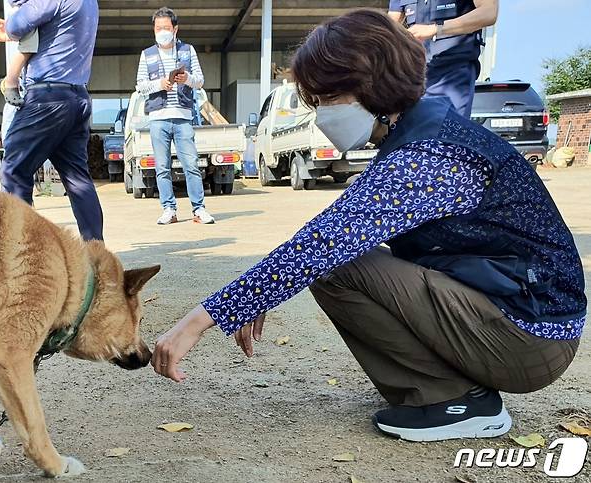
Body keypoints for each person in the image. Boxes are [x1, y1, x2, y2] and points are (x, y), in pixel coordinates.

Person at [151, 10, 586, 443]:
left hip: (529, 338)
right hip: (515, 316)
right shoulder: (422, 134)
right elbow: (331, 236)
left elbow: (322, 243)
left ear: (370, 86)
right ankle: (445, 391)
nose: (320, 113)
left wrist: (198, 320)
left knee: (336, 265)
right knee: (336, 259)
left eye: (328, 97)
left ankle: (458, 402)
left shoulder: (432, 155)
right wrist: (262, 291)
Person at [0, 0, 104, 241]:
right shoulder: (90, 2)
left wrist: (10, 27)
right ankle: (96, 252)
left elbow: (22, 22)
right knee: (77, 180)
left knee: (15, 170)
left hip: (47, 98)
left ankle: (21, 250)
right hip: (78, 97)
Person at [135, 7, 214, 225]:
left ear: (175, 29)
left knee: (191, 165)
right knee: (162, 167)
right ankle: (168, 209)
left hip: (183, 117)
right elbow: (140, 86)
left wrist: (186, 78)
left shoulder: (188, 51)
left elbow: (199, 80)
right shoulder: (147, 54)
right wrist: (158, 84)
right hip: (158, 118)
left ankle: (199, 210)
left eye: (166, 28)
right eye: (158, 28)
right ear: (153, 29)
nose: (162, 32)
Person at [388, 0, 498, 119]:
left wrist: (437, 29)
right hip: (413, 77)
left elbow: (489, 12)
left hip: (452, 75)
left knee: (444, 131)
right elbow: (388, 26)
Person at [0, 0, 39, 107]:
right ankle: (11, 82)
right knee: (28, 47)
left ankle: (11, 81)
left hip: (20, 8)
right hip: (24, 8)